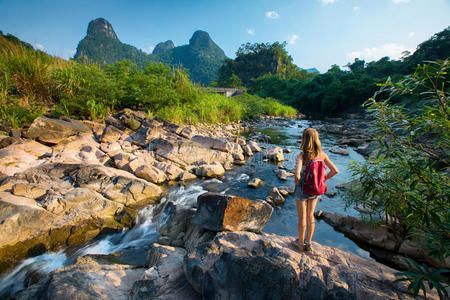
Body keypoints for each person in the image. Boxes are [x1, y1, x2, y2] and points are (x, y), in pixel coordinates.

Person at [293, 127, 339, 252]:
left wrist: (297, 182)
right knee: (310, 217)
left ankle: (300, 244)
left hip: (302, 190)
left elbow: (297, 175)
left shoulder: (301, 156)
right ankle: (309, 243)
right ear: (317, 140)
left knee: (302, 218)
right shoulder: (322, 155)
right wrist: (322, 181)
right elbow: (335, 170)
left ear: (304, 139)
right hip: (315, 190)